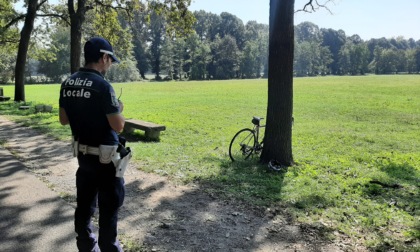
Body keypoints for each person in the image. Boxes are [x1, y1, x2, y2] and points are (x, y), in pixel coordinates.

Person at [59, 37, 125, 252]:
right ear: (103, 57)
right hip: (106, 160)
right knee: (108, 208)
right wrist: (118, 108)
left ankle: (86, 246)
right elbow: (118, 126)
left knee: (85, 206)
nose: (110, 64)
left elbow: (64, 119)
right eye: (110, 60)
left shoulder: (67, 82)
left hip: (83, 158)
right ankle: (109, 248)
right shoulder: (103, 86)